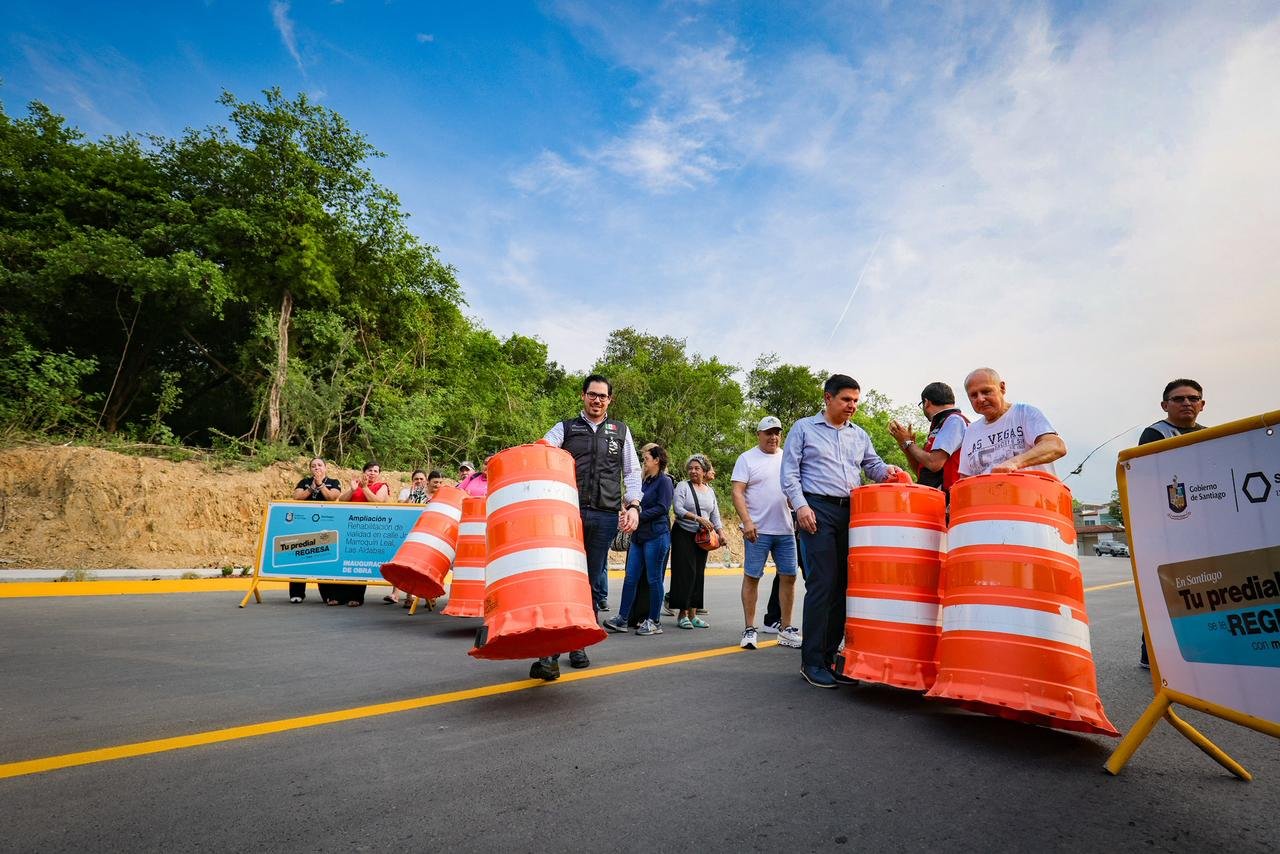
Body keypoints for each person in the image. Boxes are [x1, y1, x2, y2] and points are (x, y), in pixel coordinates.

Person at [781, 374, 904, 688]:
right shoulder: (804, 429)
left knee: (843, 586)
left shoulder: (859, 435)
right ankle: (811, 662)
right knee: (822, 582)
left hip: (851, 511)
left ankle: (827, 659)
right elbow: (789, 472)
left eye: (855, 401)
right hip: (816, 510)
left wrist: (888, 471)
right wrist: (801, 506)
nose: (852, 406)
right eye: (846, 399)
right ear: (828, 398)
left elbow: (872, 465)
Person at [529, 374, 642, 681]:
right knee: (561, 580)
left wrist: (633, 505)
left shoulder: (620, 431)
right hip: (566, 515)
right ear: (583, 396)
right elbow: (542, 451)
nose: (597, 401)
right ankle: (550, 653)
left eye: (602, 396)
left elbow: (632, 473)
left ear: (610, 400)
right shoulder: (564, 428)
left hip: (605, 516)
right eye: (592, 395)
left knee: (589, 584)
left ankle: (579, 644)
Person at [1136, 378, 1206, 668]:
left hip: (1201, 522)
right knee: (1164, 589)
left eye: (1193, 398)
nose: (1186, 403)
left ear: (1202, 404)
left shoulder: (1211, 434)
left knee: (1201, 587)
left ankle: (1197, 646)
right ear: (1165, 405)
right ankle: (1151, 653)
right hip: (1166, 523)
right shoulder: (1154, 434)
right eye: (1179, 399)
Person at [733, 416, 801, 650]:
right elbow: (737, 492)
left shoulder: (788, 458)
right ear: (758, 434)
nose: (773, 437)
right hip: (758, 531)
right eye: (768, 433)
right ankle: (749, 629)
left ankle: (786, 628)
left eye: (777, 433)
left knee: (789, 577)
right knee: (752, 577)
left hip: (786, 530)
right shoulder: (747, 459)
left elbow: (795, 488)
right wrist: (747, 521)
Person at [603, 444, 674, 637]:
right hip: (638, 536)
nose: (644, 463)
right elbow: (634, 502)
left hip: (656, 536)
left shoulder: (664, 482)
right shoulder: (644, 482)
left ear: (657, 460)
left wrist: (637, 514)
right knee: (631, 577)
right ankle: (622, 618)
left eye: (646, 459)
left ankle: (654, 621)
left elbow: (662, 508)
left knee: (653, 579)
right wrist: (628, 511)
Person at [957, 368, 1067, 477]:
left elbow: (1056, 446)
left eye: (986, 391)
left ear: (1002, 388)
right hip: (989, 494)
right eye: (974, 395)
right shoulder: (971, 431)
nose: (980, 399)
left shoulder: (1024, 413)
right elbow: (965, 478)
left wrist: (1014, 463)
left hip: (1033, 492)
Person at [669, 454, 725, 630]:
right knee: (686, 573)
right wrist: (698, 519)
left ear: (705, 471)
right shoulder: (682, 486)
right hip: (683, 534)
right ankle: (682, 614)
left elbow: (715, 514)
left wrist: (721, 533)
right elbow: (677, 509)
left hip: (702, 537)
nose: (693, 471)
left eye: (697, 468)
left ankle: (693, 614)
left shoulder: (709, 491)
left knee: (698, 573)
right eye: (691, 468)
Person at [889, 382, 970, 498]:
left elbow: (934, 463)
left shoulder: (954, 420)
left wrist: (909, 443)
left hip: (948, 499)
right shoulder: (940, 424)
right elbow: (921, 470)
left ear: (926, 402)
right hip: (932, 498)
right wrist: (906, 446)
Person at [328, 461, 390, 607]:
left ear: (379, 474)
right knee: (344, 562)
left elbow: (378, 502)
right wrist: (352, 490)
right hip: (349, 527)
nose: (372, 473)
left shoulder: (382, 486)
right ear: (364, 472)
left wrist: (365, 488)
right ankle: (338, 596)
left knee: (359, 563)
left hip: (368, 530)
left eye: (375, 471)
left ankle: (356, 597)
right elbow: (341, 500)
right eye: (369, 470)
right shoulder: (356, 485)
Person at [289, 457, 341, 603]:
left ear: (325, 467)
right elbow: (297, 497)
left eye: (319, 465)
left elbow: (332, 497)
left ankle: (328, 595)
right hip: (304, 526)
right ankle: (297, 593)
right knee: (300, 557)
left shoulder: (334, 482)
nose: (316, 468)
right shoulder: (304, 482)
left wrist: (320, 484)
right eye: (313, 466)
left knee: (324, 559)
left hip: (325, 528)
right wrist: (311, 488)